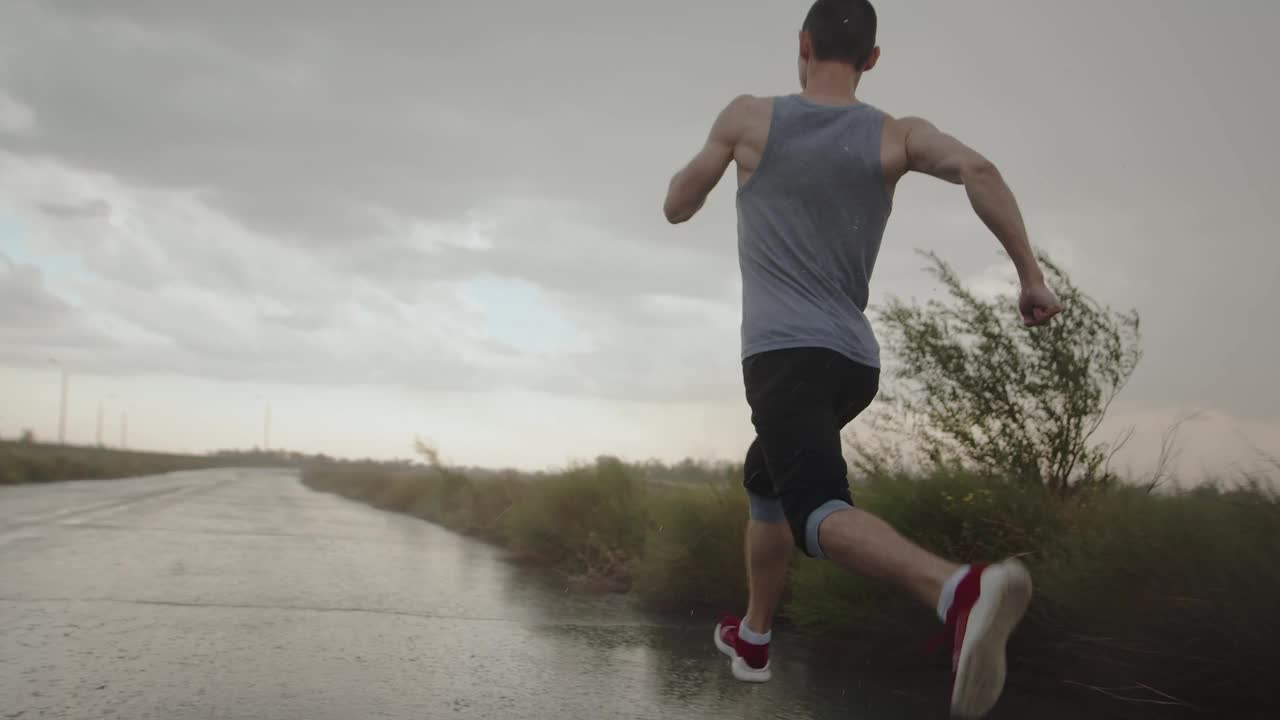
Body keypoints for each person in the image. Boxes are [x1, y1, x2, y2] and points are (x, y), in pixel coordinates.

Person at [661, 1, 1062, 717]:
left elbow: (677, 205)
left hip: (783, 355)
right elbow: (980, 167)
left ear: (803, 45)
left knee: (815, 508)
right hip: (853, 365)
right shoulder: (898, 135)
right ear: (872, 59)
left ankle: (957, 590)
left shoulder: (749, 117)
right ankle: (754, 635)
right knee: (767, 478)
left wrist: (719, 158)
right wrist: (1030, 276)